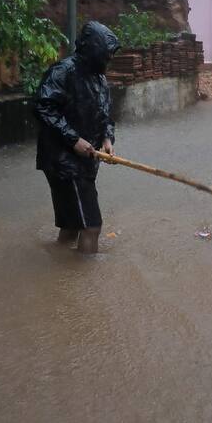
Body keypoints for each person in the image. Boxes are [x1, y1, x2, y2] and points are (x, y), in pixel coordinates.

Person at [34, 20, 120, 254]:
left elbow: (105, 115)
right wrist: (73, 139)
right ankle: (85, 283)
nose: (109, 61)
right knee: (91, 226)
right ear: (93, 51)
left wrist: (107, 140)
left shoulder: (99, 79)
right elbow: (43, 107)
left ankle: (60, 267)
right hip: (63, 161)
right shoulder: (63, 72)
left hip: (84, 159)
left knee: (72, 225)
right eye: (106, 55)